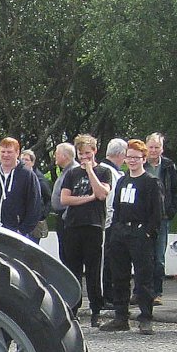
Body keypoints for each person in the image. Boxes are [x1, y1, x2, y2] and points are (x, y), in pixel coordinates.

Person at [99, 141, 162, 334]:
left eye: (136, 157)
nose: (132, 161)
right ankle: (121, 317)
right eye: (129, 157)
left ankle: (145, 317)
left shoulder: (150, 182)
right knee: (119, 276)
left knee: (143, 278)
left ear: (143, 159)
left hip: (140, 233)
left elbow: (157, 213)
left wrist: (147, 233)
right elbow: (116, 208)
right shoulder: (122, 181)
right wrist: (116, 230)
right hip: (121, 232)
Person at [60, 135, 113, 324]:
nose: (84, 158)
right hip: (73, 225)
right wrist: (88, 198)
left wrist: (90, 170)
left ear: (95, 152)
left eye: (87, 154)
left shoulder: (104, 171)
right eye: (81, 154)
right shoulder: (71, 174)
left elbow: (102, 193)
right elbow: (64, 199)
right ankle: (73, 308)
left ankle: (96, 309)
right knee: (73, 270)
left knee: (93, 270)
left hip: (93, 224)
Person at [144, 133, 177, 304]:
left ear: (162, 149)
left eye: (157, 147)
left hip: (161, 218)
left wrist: (170, 212)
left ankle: (157, 292)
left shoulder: (169, 166)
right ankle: (140, 291)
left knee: (158, 257)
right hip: (142, 217)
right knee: (141, 256)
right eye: (151, 147)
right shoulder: (140, 164)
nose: (153, 150)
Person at [0, 137, 43, 239]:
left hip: (17, 234)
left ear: (17, 153)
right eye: (3, 152)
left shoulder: (28, 176)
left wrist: (22, 231)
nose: (5, 155)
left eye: (9, 152)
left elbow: (34, 206)